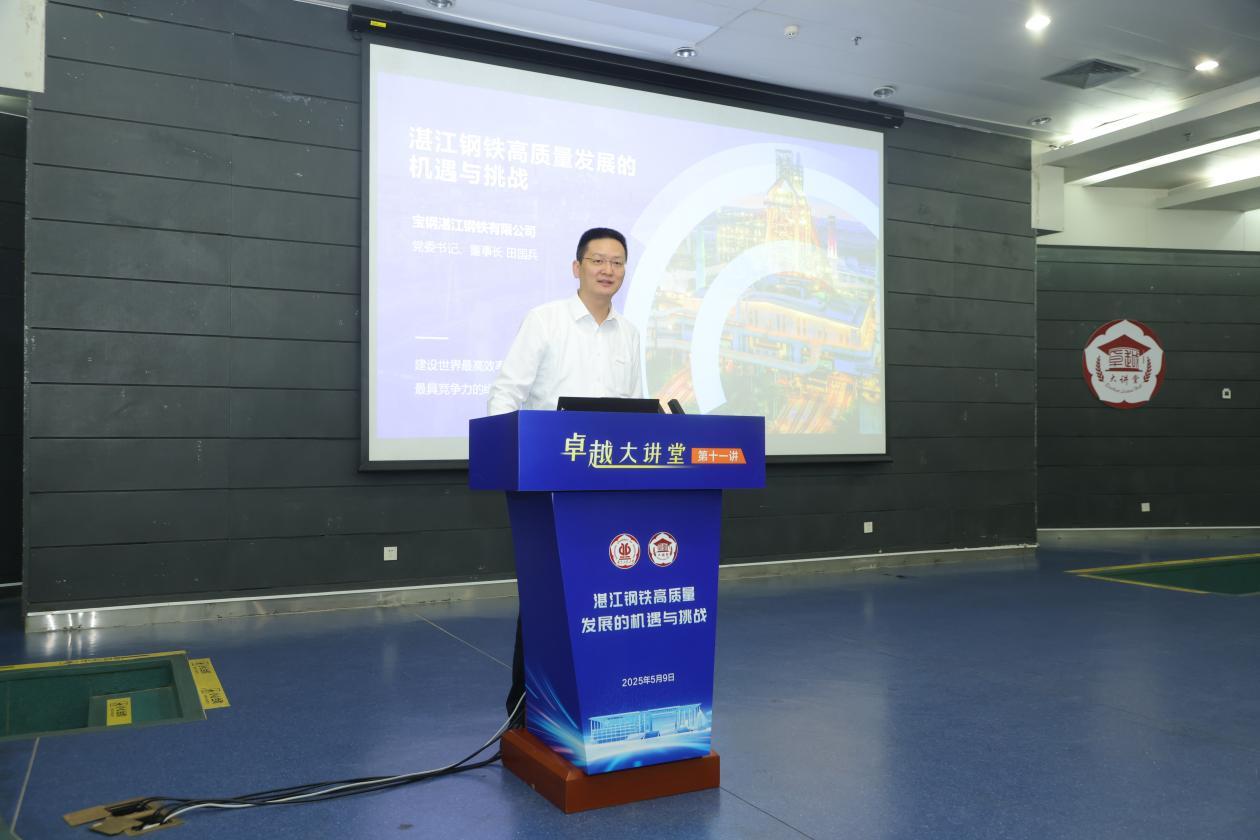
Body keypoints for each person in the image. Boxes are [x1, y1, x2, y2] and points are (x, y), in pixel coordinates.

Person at [487, 227, 643, 724]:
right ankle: (525, 710)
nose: (607, 270)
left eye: (617, 262)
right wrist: (509, 459)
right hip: (548, 484)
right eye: (598, 260)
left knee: (603, 594)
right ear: (577, 268)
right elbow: (506, 395)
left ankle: (595, 702)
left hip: (608, 488)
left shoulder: (630, 333)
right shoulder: (545, 320)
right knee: (546, 596)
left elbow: (635, 409)